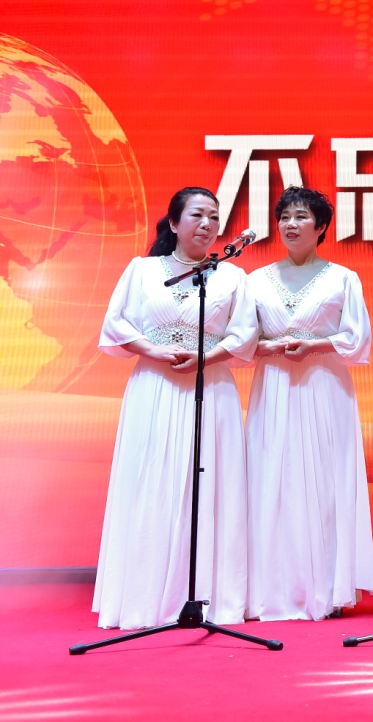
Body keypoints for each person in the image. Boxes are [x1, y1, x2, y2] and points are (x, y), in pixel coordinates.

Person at [95, 187, 256, 629]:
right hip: (155, 386)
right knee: (151, 479)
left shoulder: (232, 276)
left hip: (212, 387)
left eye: (214, 217)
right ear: (173, 222)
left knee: (210, 485)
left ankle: (208, 596)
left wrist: (207, 357)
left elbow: (244, 335)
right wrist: (154, 350)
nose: (207, 224)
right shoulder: (142, 270)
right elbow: (116, 324)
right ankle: (144, 598)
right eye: (197, 215)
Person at [245, 186, 373, 621]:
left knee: (325, 484)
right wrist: (270, 347)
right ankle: (270, 591)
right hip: (274, 385)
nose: (291, 224)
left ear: (320, 227)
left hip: (324, 386)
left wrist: (315, 345)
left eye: (301, 216)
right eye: (285, 217)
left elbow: (357, 339)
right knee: (272, 479)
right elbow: (241, 340)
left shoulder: (343, 278)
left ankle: (328, 589)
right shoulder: (255, 280)